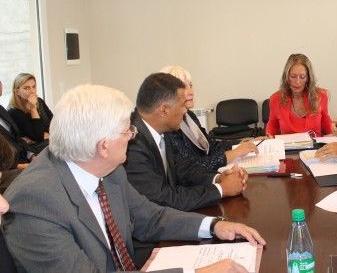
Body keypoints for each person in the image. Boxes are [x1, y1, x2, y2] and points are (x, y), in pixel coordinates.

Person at [3, 84, 265, 272]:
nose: (133, 135)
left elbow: (149, 217)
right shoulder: (35, 202)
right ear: (103, 146)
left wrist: (214, 225)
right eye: (126, 130)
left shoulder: (108, 168)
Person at [125, 73, 247, 212]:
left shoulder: (161, 129)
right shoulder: (132, 143)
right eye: (182, 105)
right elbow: (162, 198)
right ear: (164, 110)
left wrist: (219, 178)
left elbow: (184, 169)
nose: (185, 111)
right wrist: (222, 189)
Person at [160, 66, 258, 172]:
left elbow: (210, 145)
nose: (191, 92)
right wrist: (234, 153)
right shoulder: (170, 127)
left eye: (191, 85)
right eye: (184, 87)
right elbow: (192, 167)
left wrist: (242, 142)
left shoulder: (190, 116)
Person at [266, 53, 332, 136]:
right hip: (288, 144)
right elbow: (273, 125)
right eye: (293, 76)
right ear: (286, 77)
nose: (297, 82)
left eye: (302, 77)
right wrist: (269, 136)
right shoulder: (276, 98)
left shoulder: (320, 96)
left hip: (316, 144)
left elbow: (326, 123)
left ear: (308, 78)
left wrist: (334, 132)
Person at [8, 73, 52, 143]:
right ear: (17, 92)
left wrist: (49, 134)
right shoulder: (14, 112)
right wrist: (33, 109)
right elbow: (39, 136)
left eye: (34, 87)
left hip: (50, 140)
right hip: (37, 147)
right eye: (26, 88)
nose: (32, 91)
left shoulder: (39, 101)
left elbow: (53, 123)